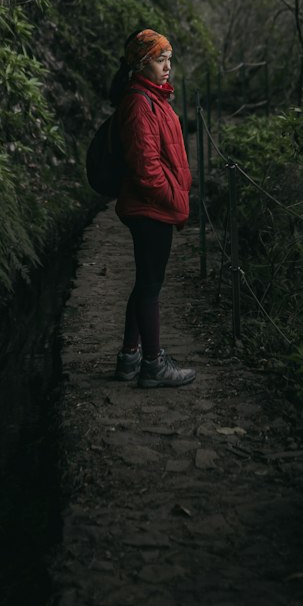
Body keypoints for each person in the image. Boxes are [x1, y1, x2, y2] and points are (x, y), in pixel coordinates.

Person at [109, 28, 196, 388]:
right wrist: (177, 199)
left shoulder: (153, 98)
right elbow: (147, 170)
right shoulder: (139, 103)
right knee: (150, 286)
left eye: (169, 60)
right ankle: (153, 364)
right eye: (160, 60)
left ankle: (131, 357)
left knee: (145, 283)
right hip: (150, 208)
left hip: (152, 207)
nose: (167, 67)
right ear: (142, 64)